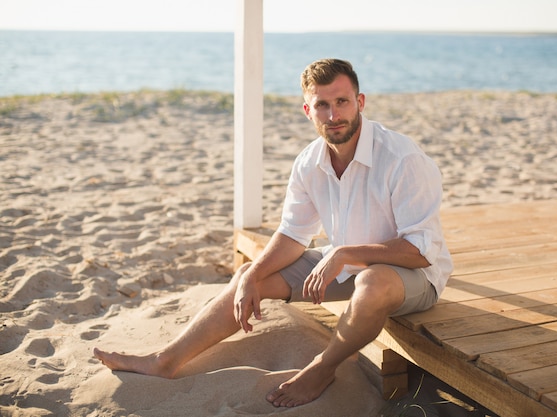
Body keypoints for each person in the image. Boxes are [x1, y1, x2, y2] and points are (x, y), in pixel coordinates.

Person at [94, 58, 453, 408]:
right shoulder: (309, 162)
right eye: (322, 105)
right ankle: (165, 361)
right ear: (307, 111)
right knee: (249, 277)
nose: (333, 115)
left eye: (342, 102)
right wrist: (253, 273)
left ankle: (322, 368)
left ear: (360, 102)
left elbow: (421, 251)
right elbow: (294, 234)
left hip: (414, 277)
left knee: (371, 281)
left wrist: (344, 254)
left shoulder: (402, 158)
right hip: (348, 267)